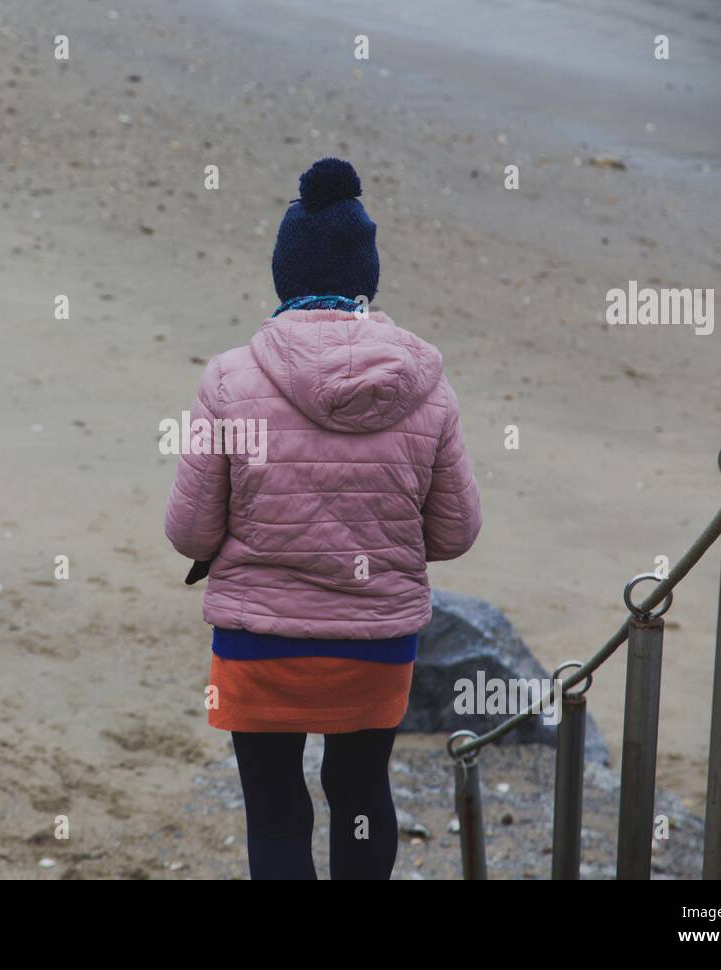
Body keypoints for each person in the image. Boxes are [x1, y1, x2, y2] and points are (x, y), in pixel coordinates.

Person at [164, 157, 483, 879]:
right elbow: (455, 534)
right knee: (362, 790)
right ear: (366, 281)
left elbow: (191, 534)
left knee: (276, 812)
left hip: (258, 640)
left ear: (284, 277)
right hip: (376, 644)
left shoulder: (230, 380)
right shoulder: (427, 386)